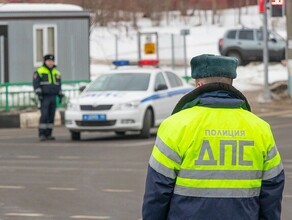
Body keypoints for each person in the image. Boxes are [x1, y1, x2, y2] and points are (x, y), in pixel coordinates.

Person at [142, 54, 285, 220]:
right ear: (230, 83)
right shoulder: (260, 129)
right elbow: (273, 187)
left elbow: (157, 191)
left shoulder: (175, 126)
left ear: (199, 84)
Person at [33, 54, 63, 141]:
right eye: (48, 61)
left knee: (51, 116)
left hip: (53, 97)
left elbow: (59, 85)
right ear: (45, 62)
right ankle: (42, 134)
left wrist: (60, 94)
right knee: (44, 115)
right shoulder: (39, 71)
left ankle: (49, 134)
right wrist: (39, 93)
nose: (50, 63)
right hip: (44, 97)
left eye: (52, 61)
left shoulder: (56, 73)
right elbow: (36, 84)